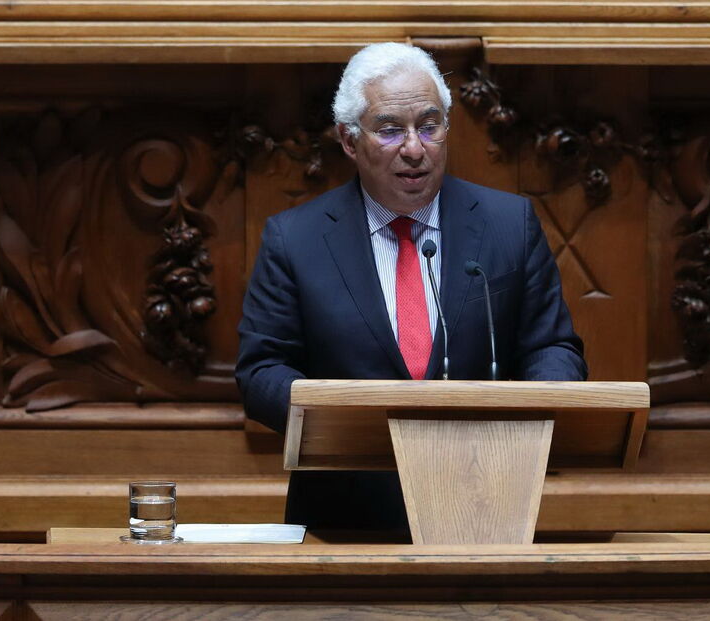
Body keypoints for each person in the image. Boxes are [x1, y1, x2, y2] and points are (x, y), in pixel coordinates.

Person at [236, 42, 587, 533]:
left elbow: (552, 346)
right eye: (389, 130)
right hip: (342, 518)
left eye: (429, 125)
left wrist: (529, 413)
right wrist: (343, 419)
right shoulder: (295, 239)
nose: (414, 148)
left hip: (487, 502)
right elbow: (261, 371)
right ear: (348, 140)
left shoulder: (510, 224)